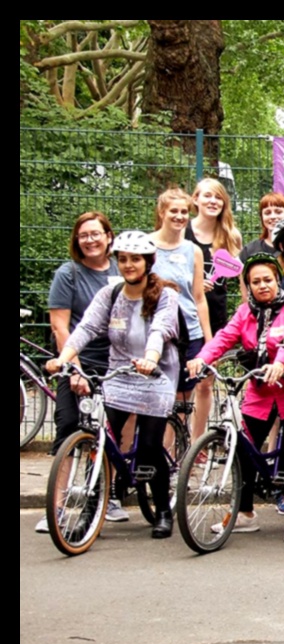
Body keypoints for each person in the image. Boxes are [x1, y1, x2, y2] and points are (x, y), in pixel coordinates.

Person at [45, 231, 182, 538]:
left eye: (135, 259)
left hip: (156, 375)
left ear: (148, 262)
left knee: (149, 446)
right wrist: (64, 359)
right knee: (102, 443)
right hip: (118, 376)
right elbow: (86, 328)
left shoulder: (166, 295)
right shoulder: (110, 294)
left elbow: (160, 329)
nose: (128, 265)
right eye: (122, 259)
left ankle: (162, 510)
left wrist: (150, 358)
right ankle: (93, 512)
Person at [189, 255, 284, 542]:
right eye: (255, 282)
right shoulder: (245, 312)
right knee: (243, 447)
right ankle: (245, 513)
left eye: (267, 280)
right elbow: (224, 338)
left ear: (277, 281)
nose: (262, 286)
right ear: (248, 286)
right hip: (261, 390)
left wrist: (281, 363)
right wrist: (201, 359)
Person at [41, 213, 123, 529]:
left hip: (115, 361)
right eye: (83, 235)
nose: (89, 240)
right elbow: (60, 326)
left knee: (112, 431)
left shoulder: (121, 270)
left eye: (95, 234)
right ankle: (58, 507)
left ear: (108, 236)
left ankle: (106, 498)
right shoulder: (69, 274)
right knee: (69, 429)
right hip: (75, 359)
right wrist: (73, 369)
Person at [151, 188, 209, 440]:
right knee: (154, 398)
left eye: (184, 211)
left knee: (182, 400)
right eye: (173, 211)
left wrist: (209, 340)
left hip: (189, 334)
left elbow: (198, 297)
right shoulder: (146, 245)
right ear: (162, 212)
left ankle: (172, 456)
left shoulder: (193, 250)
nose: (179, 216)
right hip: (155, 332)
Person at [187, 177, 243, 335]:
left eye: (218, 198)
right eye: (208, 196)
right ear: (195, 199)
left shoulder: (231, 236)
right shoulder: (183, 231)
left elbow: (239, 273)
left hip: (217, 314)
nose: (213, 201)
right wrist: (195, 285)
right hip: (186, 314)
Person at [239, 192, 284, 263]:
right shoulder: (250, 250)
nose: (273, 216)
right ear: (262, 217)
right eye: (267, 213)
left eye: (278, 212)